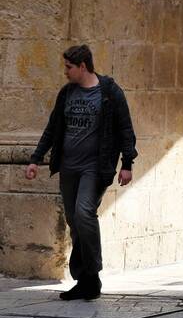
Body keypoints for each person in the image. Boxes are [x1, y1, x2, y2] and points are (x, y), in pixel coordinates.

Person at [24, 44, 137, 302]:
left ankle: (93, 274)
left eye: (69, 67)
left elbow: (125, 129)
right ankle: (84, 279)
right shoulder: (67, 93)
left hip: (94, 168)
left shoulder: (109, 92)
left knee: (84, 212)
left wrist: (127, 163)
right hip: (69, 167)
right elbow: (52, 129)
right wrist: (35, 159)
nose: (65, 71)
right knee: (75, 223)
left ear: (83, 66)